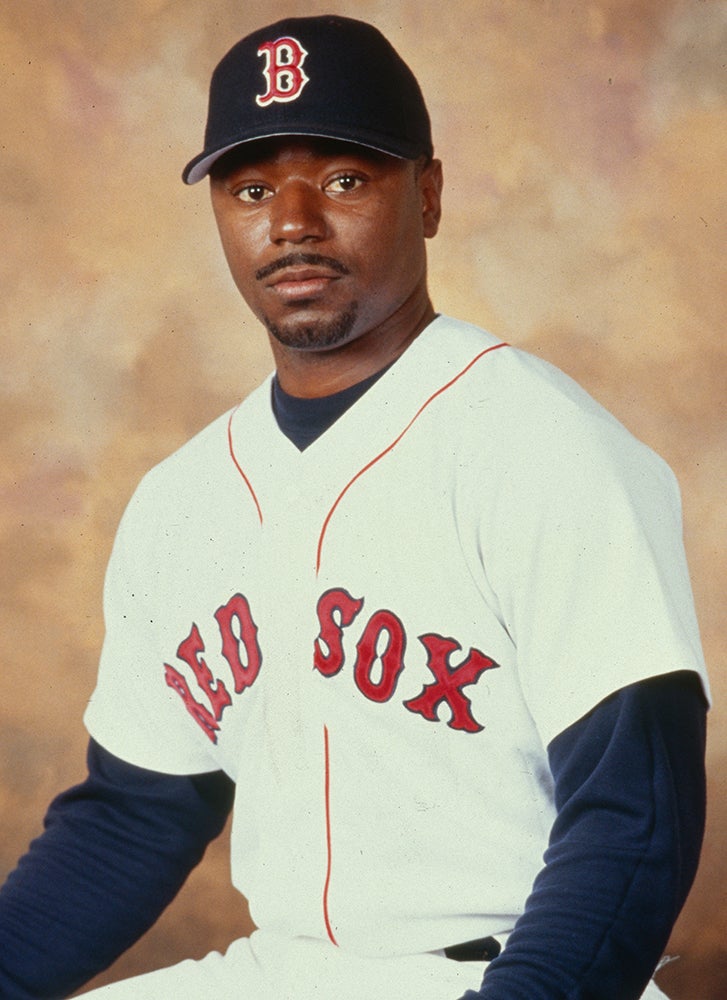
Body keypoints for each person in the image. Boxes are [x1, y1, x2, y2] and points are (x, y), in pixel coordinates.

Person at [0, 14, 709, 1000]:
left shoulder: (547, 447)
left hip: (523, 974)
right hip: (281, 972)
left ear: (426, 195)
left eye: (342, 179)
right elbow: (132, 816)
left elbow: (636, 817)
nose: (292, 222)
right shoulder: (179, 502)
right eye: (252, 190)